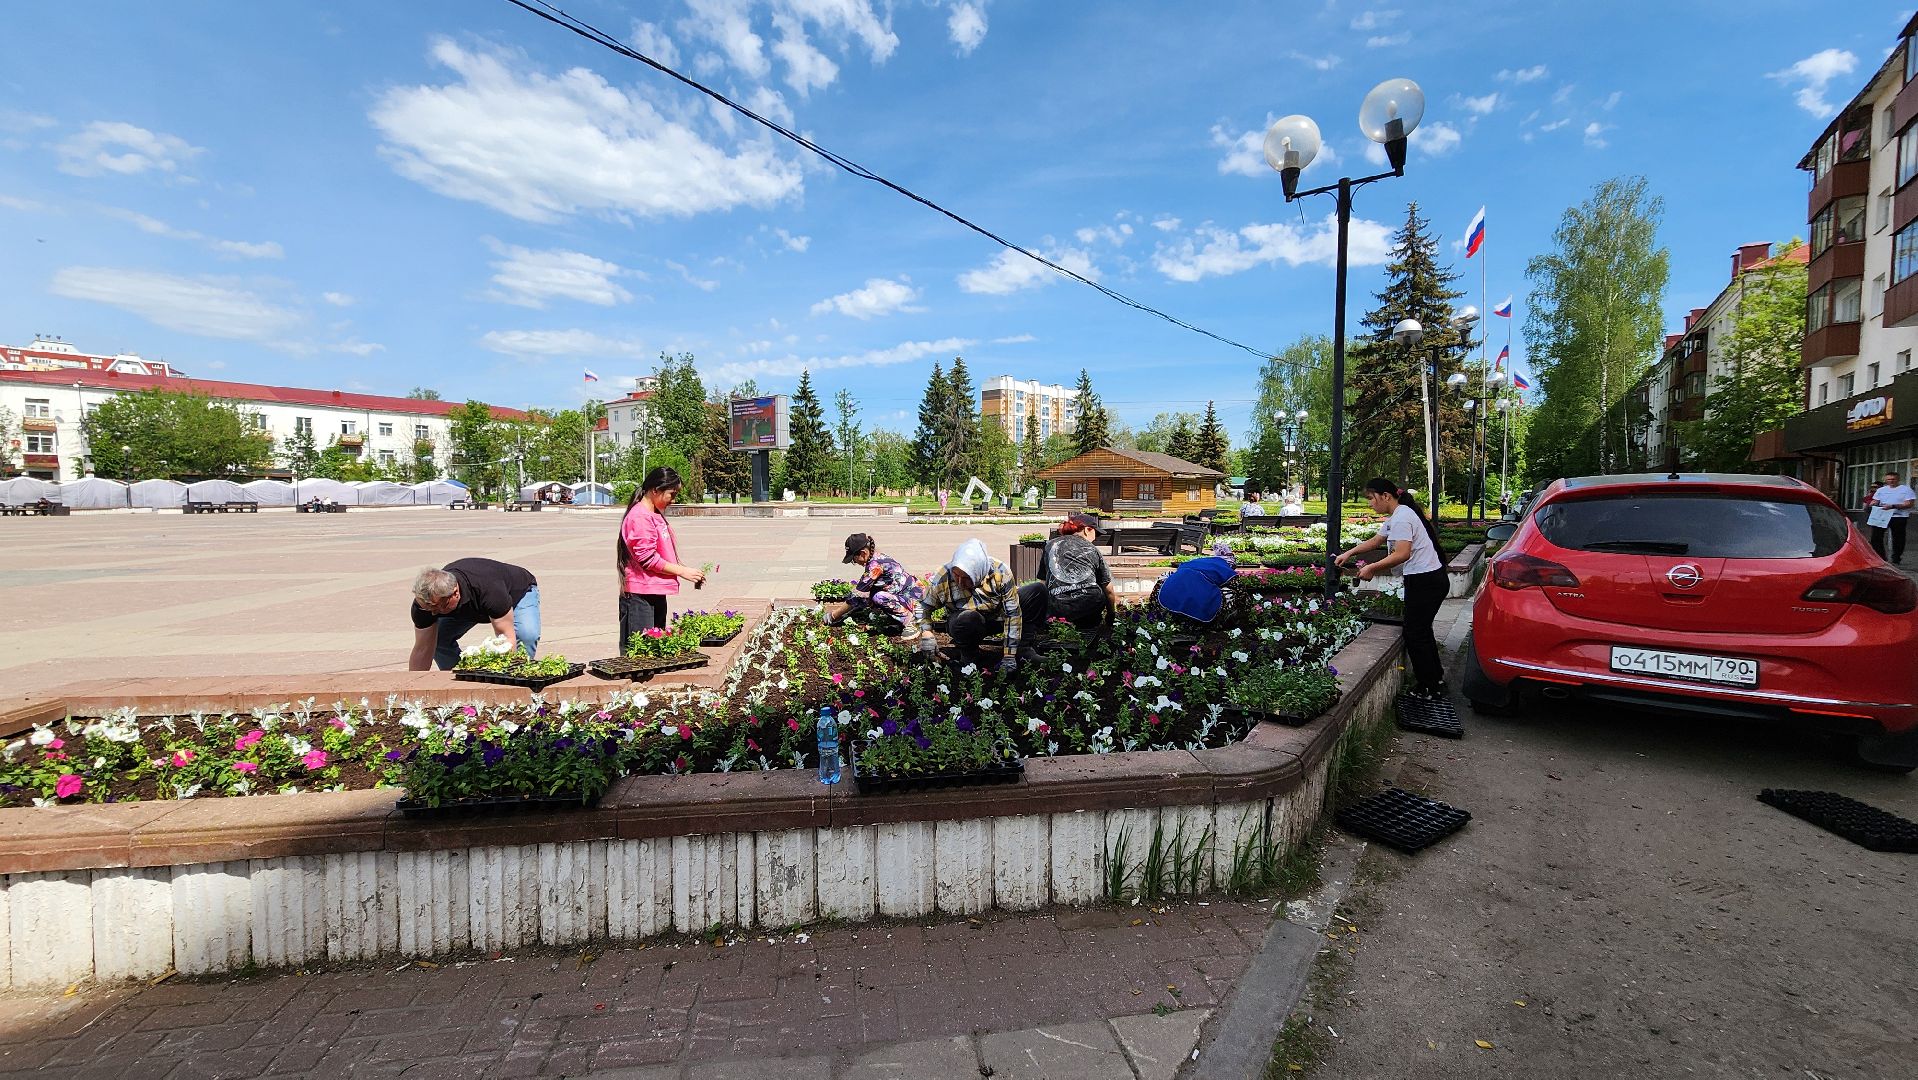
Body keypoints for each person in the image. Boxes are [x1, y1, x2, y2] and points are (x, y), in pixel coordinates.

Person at [1334, 478, 1448, 700]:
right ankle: (1435, 678)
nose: (1370, 504)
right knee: (1422, 630)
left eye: (1371, 498)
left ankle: (1429, 687)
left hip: (1426, 581)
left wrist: (1372, 568)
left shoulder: (1402, 517)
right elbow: (1376, 540)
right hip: (1427, 580)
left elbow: (1402, 553)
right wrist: (1349, 553)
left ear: (1386, 496)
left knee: (1415, 633)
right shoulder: (1399, 515)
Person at [913, 539, 1046, 672]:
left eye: (966, 578)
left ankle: (1022, 649)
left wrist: (1009, 655)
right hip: (968, 624)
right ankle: (970, 655)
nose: (959, 582)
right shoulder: (944, 577)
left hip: (999, 617)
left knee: (1037, 591)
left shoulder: (1000, 572)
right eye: (956, 575)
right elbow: (923, 605)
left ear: (979, 573)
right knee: (967, 618)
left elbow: (1012, 614)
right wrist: (926, 633)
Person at [616, 466, 706, 653]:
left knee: (653, 650)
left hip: (652, 590)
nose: (673, 500)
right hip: (640, 595)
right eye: (671, 494)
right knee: (639, 654)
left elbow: (661, 553)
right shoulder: (640, 517)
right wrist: (682, 571)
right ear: (655, 490)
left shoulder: (654, 514)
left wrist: (685, 570)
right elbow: (647, 558)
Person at [408, 558, 541, 670]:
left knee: (526, 635)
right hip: (471, 607)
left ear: (455, 593)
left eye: (438, 607)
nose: (433, 612)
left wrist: (505, 679)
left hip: (519, 593)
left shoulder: (491, 591)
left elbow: (506, 639)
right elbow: (422, 649)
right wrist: (410, 688)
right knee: (439, 640)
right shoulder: (426, 605)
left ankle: (520, 677)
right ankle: (458, 679)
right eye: (428, 608)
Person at [827, 532, 924, 634]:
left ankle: (912, 623)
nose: (854, 563)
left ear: (863, 553)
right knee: (870, 596)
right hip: (911, 594)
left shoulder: (875, 566)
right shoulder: (877, 557)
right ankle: (899, 618)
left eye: (853, 559)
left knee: (878, 597)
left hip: (915, 600)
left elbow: (855, 596)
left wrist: (833, 615)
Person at [1041, 512, 1117, 629]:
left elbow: (1042, 583)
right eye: (1095, 533)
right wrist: (1111, 614)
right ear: (1087, 530)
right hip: (1088, 606)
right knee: (1096, 599)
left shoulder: (1051, 545)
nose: (1095, 538)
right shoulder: (1092, 549)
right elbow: (1109, 589)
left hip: (1057, 608)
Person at [1865, 471, 1916, 565]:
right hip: (1882, 515)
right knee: (1876, 537)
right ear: (1885, 480)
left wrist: (1893, 506)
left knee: (1898, 538)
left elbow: (1910, 504)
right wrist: (1873, 503)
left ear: (1898, 479)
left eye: (1893, 479)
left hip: (1898, 516)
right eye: (1888, 479)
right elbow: (1876, 500)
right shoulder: (1881, 490)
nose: (1891, 481)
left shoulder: (1906, 489)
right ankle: (1881, 557)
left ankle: (1896, 557)